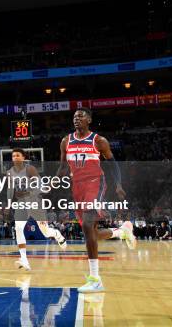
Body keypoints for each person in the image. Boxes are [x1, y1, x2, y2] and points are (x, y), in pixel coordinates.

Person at [58, 108, 136, 293]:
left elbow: (113, 163)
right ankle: (121, 232)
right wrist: (54, 180)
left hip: (95, 183)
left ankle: (95, 279)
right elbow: (62, 166)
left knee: (87, 225)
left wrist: (118, 184)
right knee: (90, 233)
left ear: (89, 120)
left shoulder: (99, 141)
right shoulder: (66, 141)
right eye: (74, 117)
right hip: (77, 187)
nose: (77, 119)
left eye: (81, 116)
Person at [7, 148, 66, 271]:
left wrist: (39, 189)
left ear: (23, 157)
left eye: (17, 155)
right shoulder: (10, 172)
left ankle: (57, 234)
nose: (15, 158)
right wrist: (8, 203)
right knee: (18, 228)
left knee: (45, 232)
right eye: (13, 156)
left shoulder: (30, 169)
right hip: (21, 203)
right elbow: (10, 189)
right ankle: (24, 259)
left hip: (34, 202)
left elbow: (38, 184)